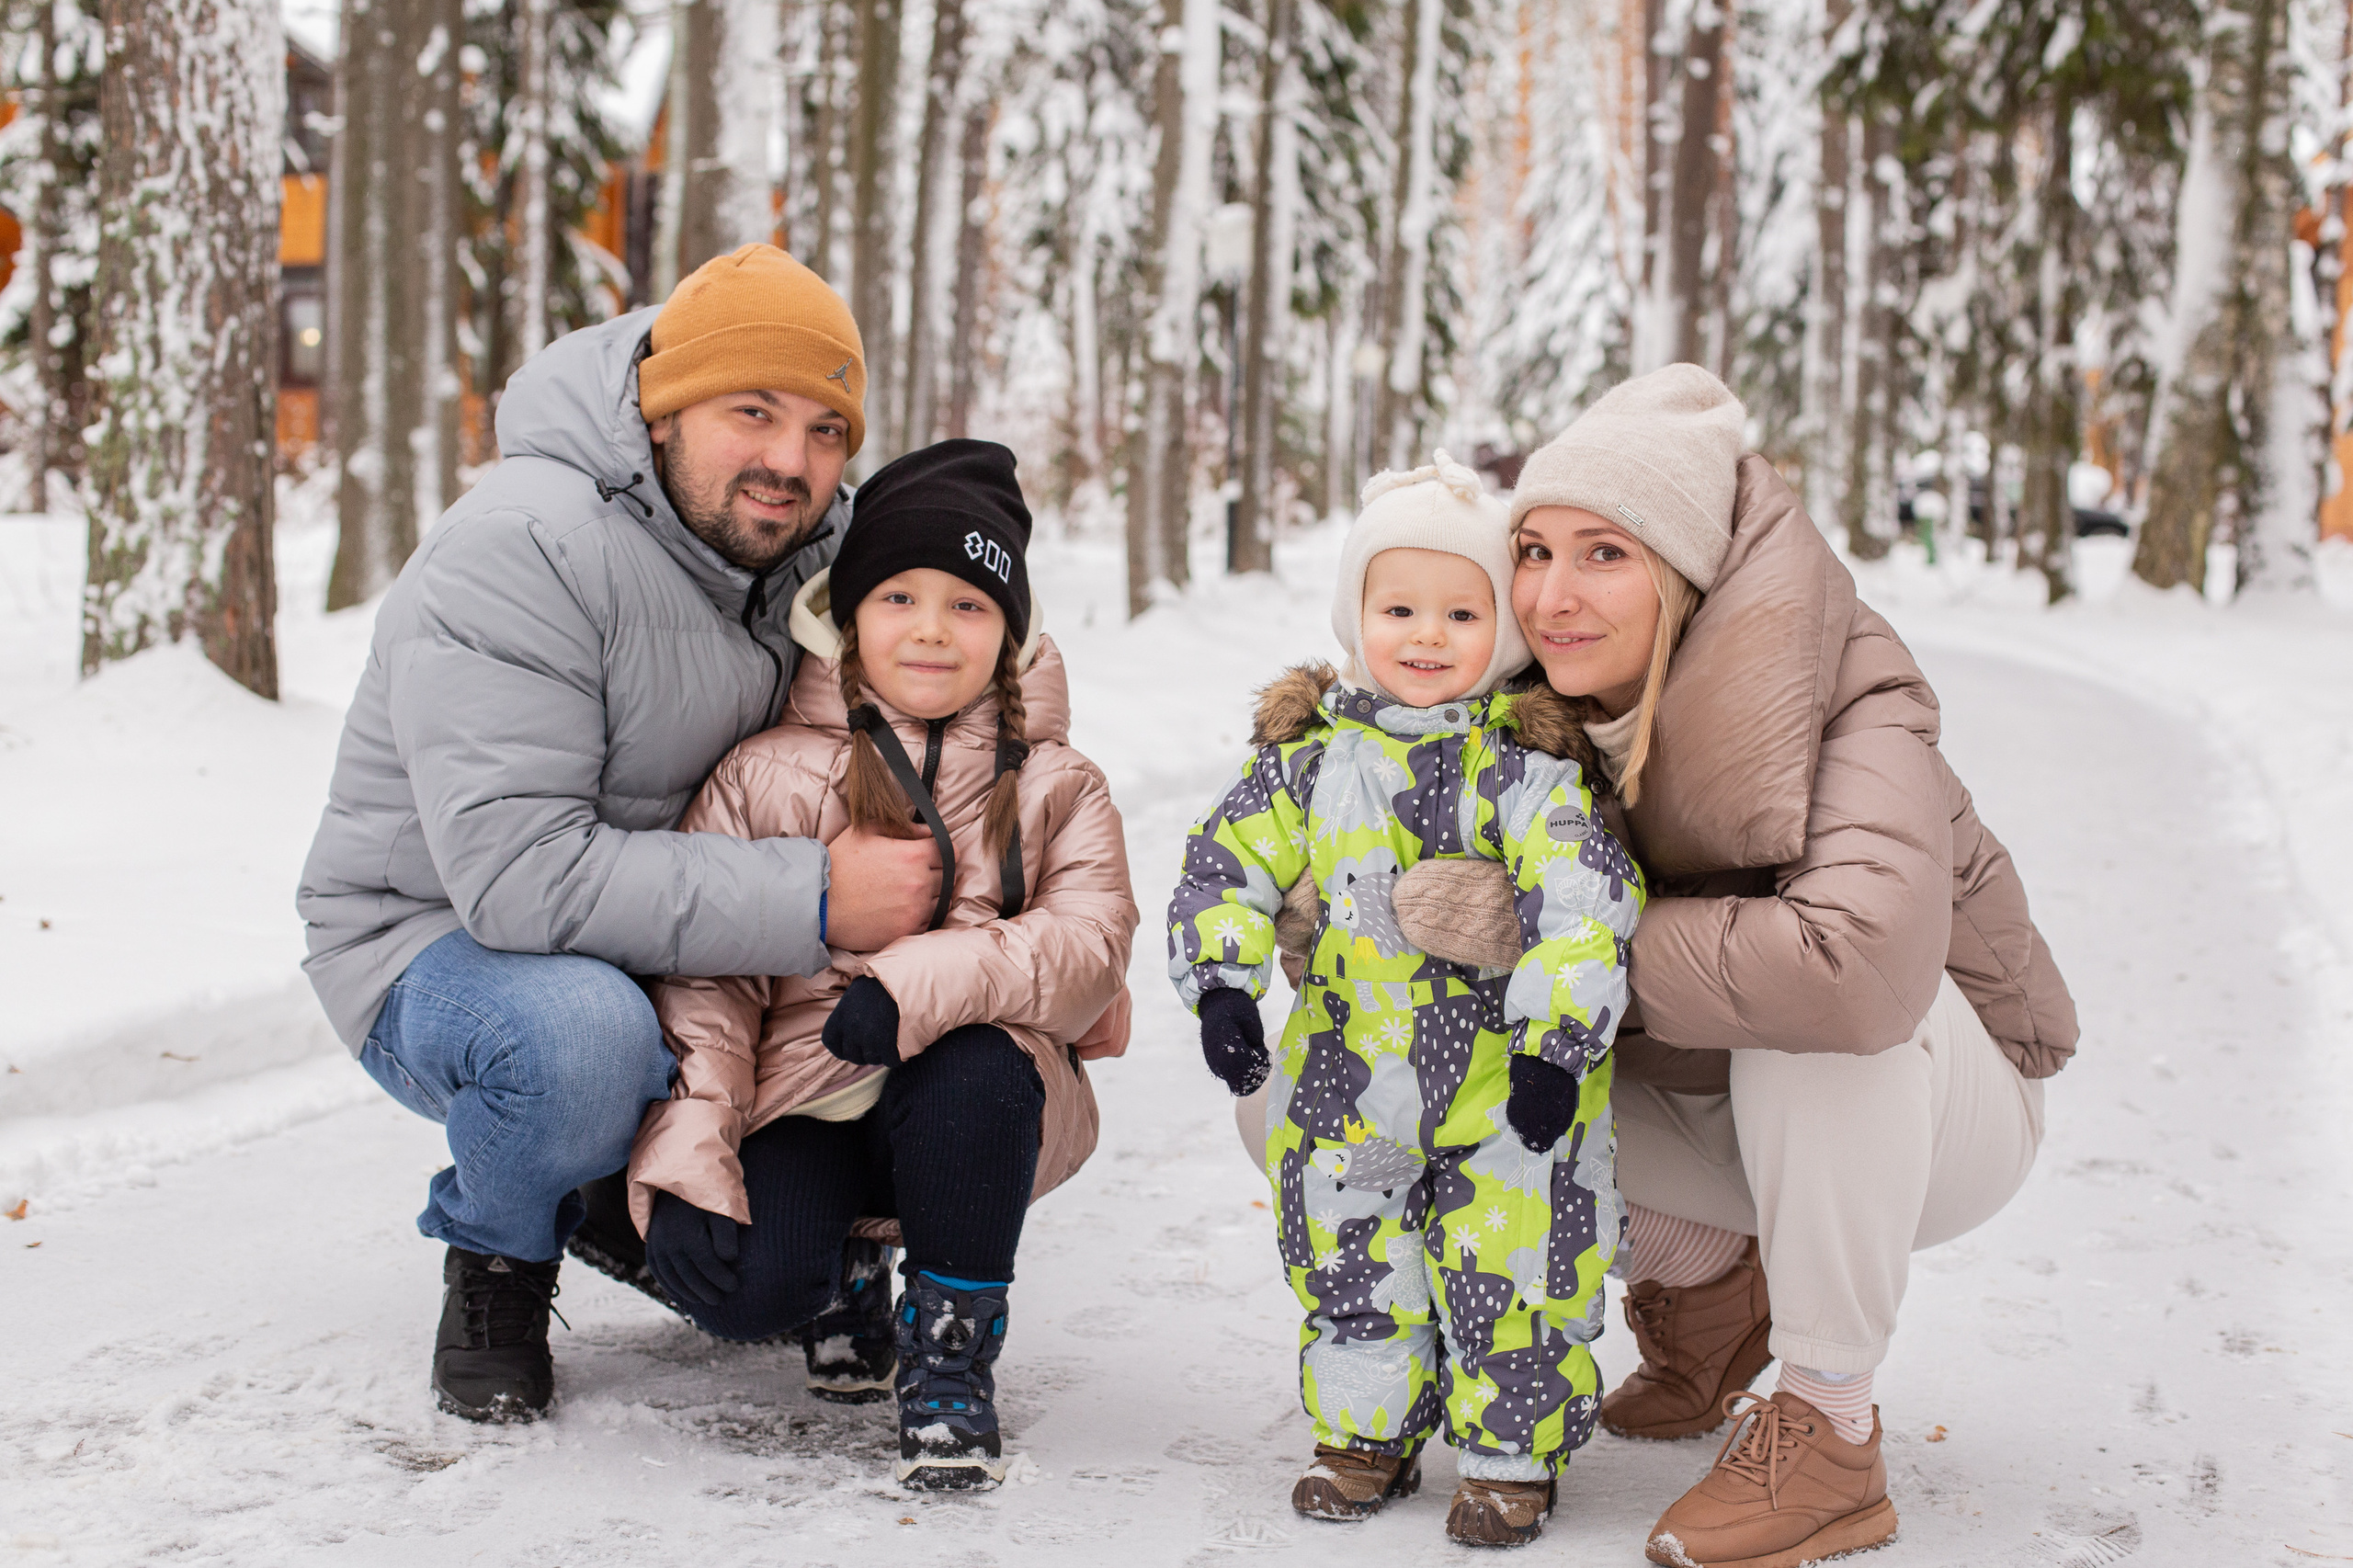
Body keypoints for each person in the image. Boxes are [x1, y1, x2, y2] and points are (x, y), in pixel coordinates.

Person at [1378, 365, 2074, 1568]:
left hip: (1942, 1113)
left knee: (1824, 1009)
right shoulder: (1525, 705)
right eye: (1533, 550)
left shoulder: (1855, 694)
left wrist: (1543, 941)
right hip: (1727, 1103)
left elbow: (1851, 967)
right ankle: (1715, 1285)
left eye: (1605, 552)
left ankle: (1830, 1426)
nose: (1551, 593)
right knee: (1346, 1086)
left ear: (1688, 568)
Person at [295, 244, 945, 1423]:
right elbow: (519, 880)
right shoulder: (522, 547)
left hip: (673, 936)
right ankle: (502, 1244)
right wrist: (814, 896)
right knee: (578, 1044)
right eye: (752, 411)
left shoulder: (805, 549)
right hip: (444, 943)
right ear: (662, 405)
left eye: (824, 429)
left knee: (929, 980)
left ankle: (757, 1225)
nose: (789, 462)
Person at [628, 438, 1139, 1491]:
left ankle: (949, 1352)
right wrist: (690, 1154)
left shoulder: (1056, 783)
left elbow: (1088, 944)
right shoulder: (764, 770)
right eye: (898, 594)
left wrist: (914, 986)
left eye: (967, 604)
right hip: (805, 1095)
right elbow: (706, 979)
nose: (930, 628)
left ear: (1010, 632)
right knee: (743, 1294)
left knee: (977, 1070)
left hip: (974, 1098)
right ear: (845, 615)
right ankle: (840, 1275)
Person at [1168, 455, 1645, 1548]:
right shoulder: (1308, 763)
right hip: (1349, 1079)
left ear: (1504, 631)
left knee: (1516, 1259)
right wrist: (1223, 988)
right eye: (1398, 608)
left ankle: (1509, 1456)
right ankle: (1364, 1433)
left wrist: (1554, 1045)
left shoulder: (1527, 770)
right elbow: (1225, 864)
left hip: (1502, 1088)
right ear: (1357, 617)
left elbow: (1585, 901)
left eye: (1461, 611)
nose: (1427, 635)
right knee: (1349, 1251)